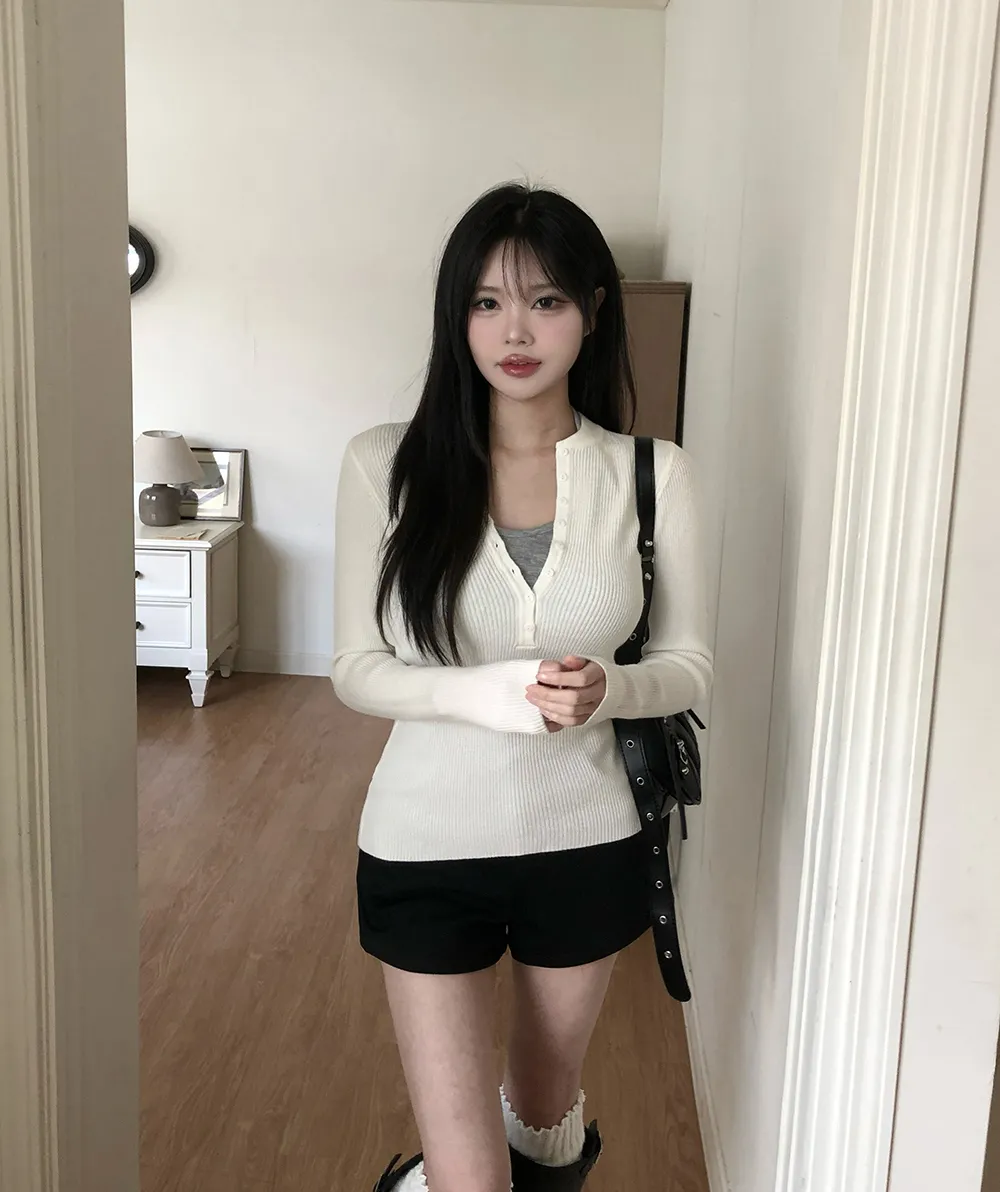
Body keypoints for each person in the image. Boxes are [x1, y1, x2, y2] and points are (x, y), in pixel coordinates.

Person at [332, 182, 713, 1192]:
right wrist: (482, 693)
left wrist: (608, 692)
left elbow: (688, 664)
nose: (515, 331)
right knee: (473, 1176)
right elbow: (356, 668)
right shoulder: (385, 465)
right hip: (424, 841)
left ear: (591, 312)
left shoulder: (653, 475)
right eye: (486, 302)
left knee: (544, 1121)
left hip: (586, 838)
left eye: (545, 301)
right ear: (455, 315)